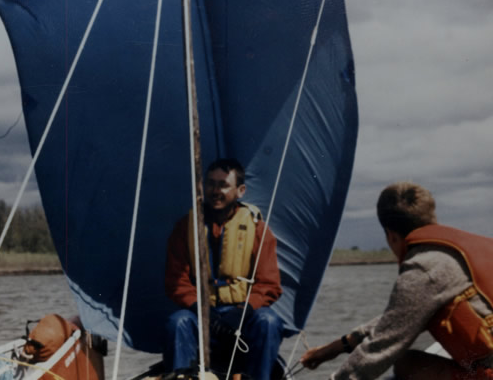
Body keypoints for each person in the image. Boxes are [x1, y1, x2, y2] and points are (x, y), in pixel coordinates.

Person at [300, 181, 493, 380]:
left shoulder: (424, 267)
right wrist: (338, 346)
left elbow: (380, 348)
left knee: (407, 364)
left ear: (391, 236)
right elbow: (401, 316)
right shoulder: (473, 249)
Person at [164, 158, 284, 380]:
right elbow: (176, 282)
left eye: (223, 185)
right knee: (177, 322)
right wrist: (204, 313)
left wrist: (241, 313)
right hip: (200, 315)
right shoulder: (186, 228)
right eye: (211, 183)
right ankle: (183, 377)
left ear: (240, 191)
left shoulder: (258, 229)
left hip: (242, 317)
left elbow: (269, 284)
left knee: (269, 321)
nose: (215, 191)